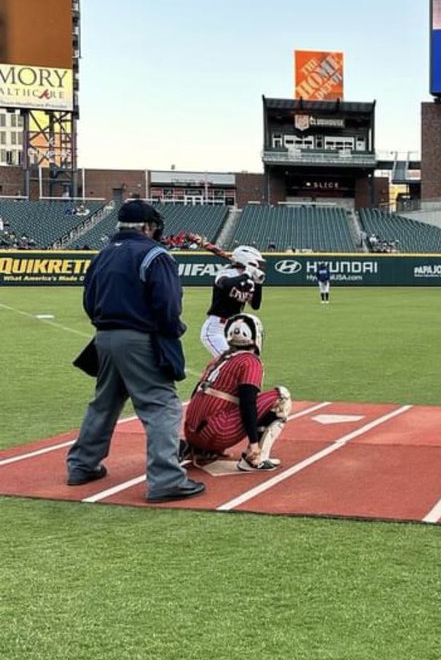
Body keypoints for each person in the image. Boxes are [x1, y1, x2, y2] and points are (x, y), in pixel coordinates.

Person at [66, 199, 205, 502]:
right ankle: (166, 479)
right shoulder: (155, 255)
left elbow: (89, 301)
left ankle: (81, 465)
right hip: (140, 338)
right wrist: (171, 331)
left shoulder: (102, 255)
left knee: (104, 403)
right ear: (147, 227)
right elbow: (168, 304)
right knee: (161, 406)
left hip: (104, 337)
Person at [182, 315, 292, 472]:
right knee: (282, 397)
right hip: (215, 432)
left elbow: (196, 394)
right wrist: (253, 443)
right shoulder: (249, 362)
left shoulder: (219, 358)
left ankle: (199, 449)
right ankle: (255, 458)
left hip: (191, 432)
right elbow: (248, 403)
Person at [199, 244, 266, 357]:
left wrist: (258, 284)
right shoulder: (227, 273)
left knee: (237, 363)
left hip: (233, 328)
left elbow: (255, 305)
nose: (259, 265)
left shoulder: (249, 280)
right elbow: (225, 285)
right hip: (215, 329)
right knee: (233, 361)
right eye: (257, 262)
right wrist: (246, 274)